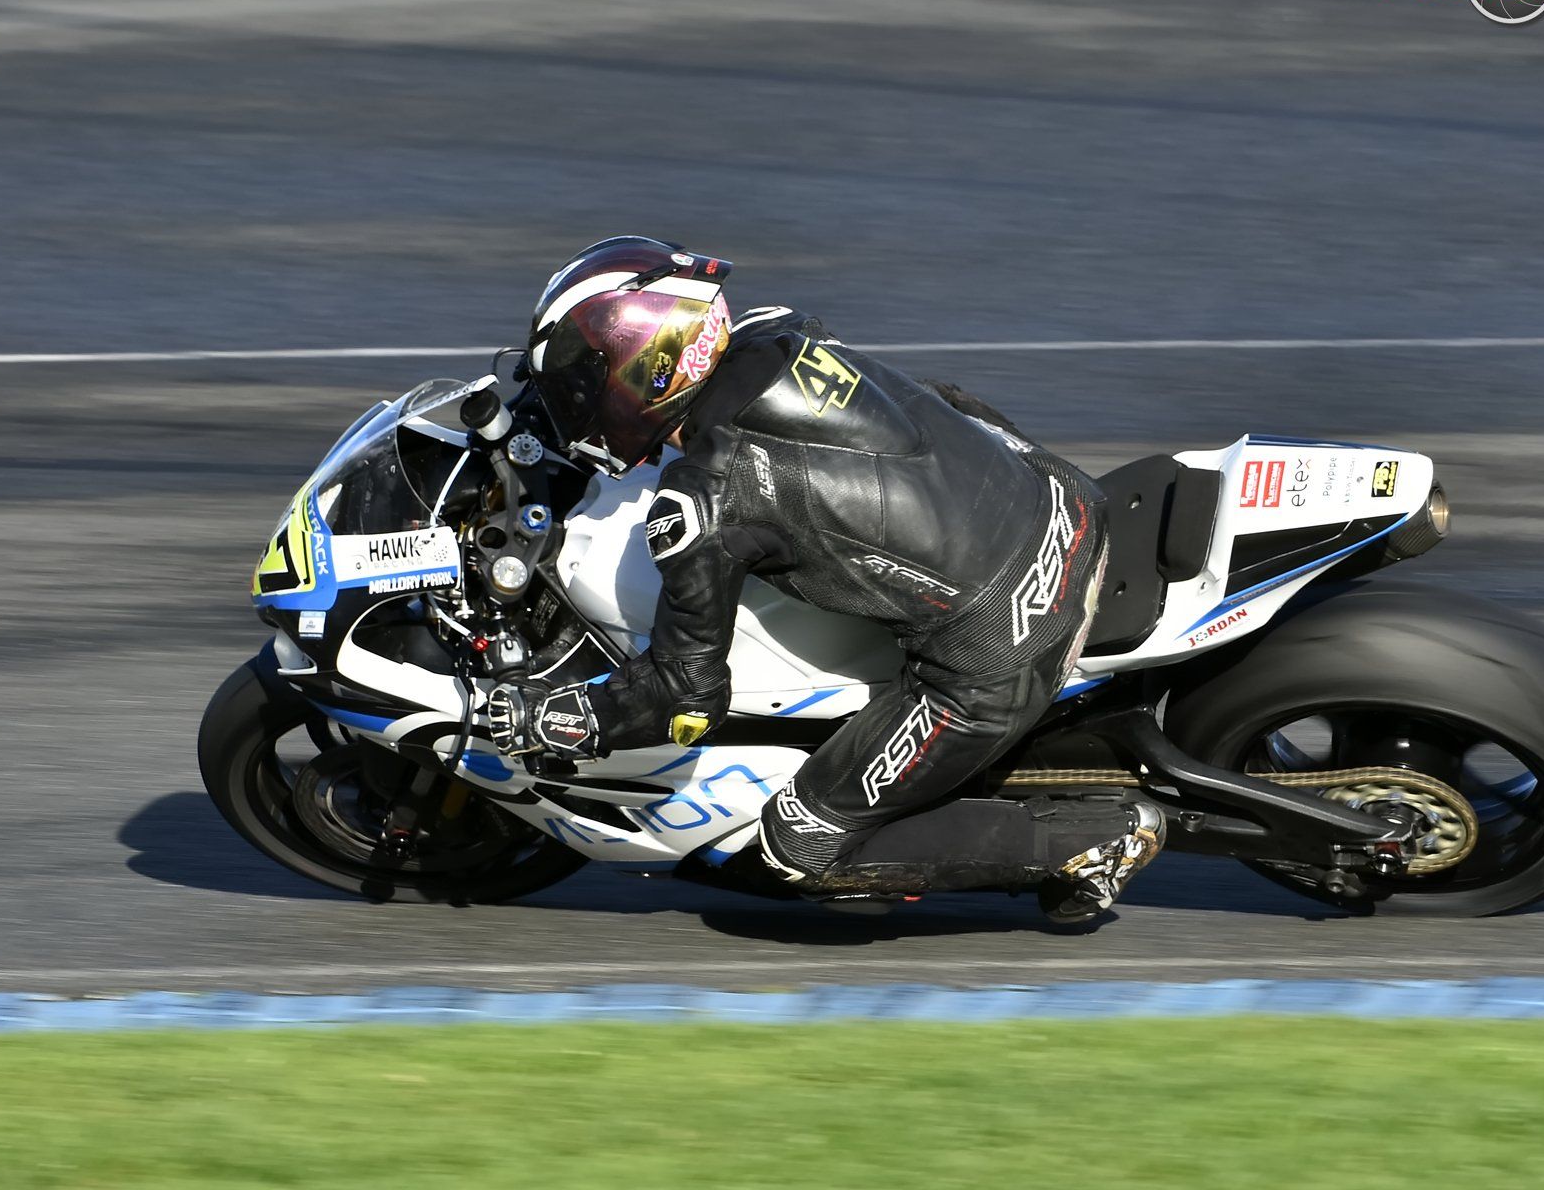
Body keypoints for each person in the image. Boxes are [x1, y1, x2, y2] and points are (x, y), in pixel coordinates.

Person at [486, 236, 1163, 923]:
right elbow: (945, 400)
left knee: (800, 842)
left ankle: (1089, 840)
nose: (577, 403)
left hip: (1003, 635)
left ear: (647, 364)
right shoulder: (777, 332)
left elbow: (685, 701)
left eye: (583, 381)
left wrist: (559, 717)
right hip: (1059, 496)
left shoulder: (702, 499)